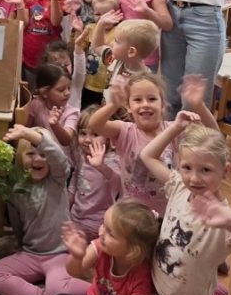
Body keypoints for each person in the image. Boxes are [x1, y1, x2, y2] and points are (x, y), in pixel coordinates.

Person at [140, 115, 231, 295]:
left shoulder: (225, 216)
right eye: (187, 167)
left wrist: (230, 221)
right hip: (162, 290)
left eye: (206, 170)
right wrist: (176, 127)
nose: (194, 178)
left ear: (225, 171)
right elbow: (148, 155)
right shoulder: (179, 186)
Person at [0, 122, 89, 295]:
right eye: (31, 153)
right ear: (20, 157)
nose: (38, 159)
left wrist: (29, 133)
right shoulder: (15, 188)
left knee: (57, 288)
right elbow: (16, 222)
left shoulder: (57, 179)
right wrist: (18, 245)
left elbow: (58, 158)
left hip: (59, 255)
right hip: (31, 255)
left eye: (43, 154)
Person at [90, 74, 218, 216]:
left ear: (162, 105)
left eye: (152, 99)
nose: (145, 104)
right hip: (131, 212)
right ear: (129, 107)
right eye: (137, 100)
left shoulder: (175, 127)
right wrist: (113, 105)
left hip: (167, 212)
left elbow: (214, 135)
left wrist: (199, 105)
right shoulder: (125, 131)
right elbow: (94, 125)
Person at [69, 106, 123, 240]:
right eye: (83, 133)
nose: (87, 139)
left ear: (109, 138)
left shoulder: (112, 159)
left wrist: (101, 166)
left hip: (98, 225)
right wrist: (65, 212)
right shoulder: (80, 155)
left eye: (95, 134)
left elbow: (119, 185)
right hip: (75, 219)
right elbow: (73, 185)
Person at [82, 0, 122, 108]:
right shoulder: (90, 28)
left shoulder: (119, 32)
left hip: (107, 85)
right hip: (89, 82)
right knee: (87, 113)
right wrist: (79, 32)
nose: (102, 19)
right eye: (97, 14)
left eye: (106, 14)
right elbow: (80, 49)